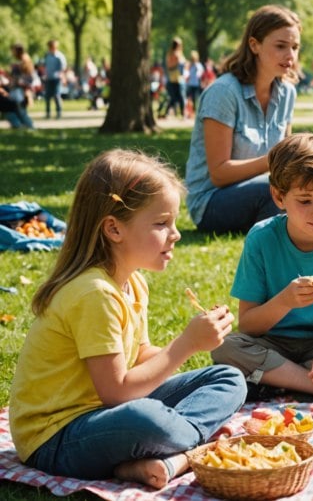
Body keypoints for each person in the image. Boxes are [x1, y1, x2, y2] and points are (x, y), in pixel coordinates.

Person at [9, 149, 247, 488]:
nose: (176, 233)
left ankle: (167, 447)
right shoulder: (94, 293)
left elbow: (139, 355)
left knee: (228, 378)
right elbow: (117, 394)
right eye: (161, 223)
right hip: (56, 437)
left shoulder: (132, 281)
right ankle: (187, 450)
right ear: (114, 229)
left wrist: (194, 344)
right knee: (144, 418)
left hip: (105, 416)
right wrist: (184, 345)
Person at [211, 133, 313, 404]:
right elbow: (249, 325)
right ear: (279, 196)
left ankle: (275, 382)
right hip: (271, 344)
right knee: (224, 345)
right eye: (305, 201)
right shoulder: (262, 238)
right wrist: (285, 301)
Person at [185, 5, 301, 235]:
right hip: (212, 202)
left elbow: (284, 160)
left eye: (295, 47)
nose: (290, 56)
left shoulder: (287, 92)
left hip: (265, 190)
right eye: (280, 46)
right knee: (279, 194)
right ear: (254, 45)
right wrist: (274, 161)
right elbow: (219, 174)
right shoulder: (224, 92)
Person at [159, 37, 186, 119]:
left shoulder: (179, 53)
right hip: (173, 79)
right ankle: (166, 113)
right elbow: (170, 66)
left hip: (179, 78)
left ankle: (181, 114)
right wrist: (177, 62)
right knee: (175, 98)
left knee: (179, 97)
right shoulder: (172, 54)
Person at [42, 39, 67, 119]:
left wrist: (61, 74)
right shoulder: (47, 55)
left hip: (56, 78)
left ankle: (59, 112)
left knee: (56, 95)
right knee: (47, 96)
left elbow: (63, 67)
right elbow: (45, 66)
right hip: (49, 78)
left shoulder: (59, 56)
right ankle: (48, 113)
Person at [185, 50, 205, 118]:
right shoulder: (190, 65)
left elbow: (200, 73)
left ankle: (196, 111)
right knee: (190, 99)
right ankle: (191, 112)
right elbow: (187, 73)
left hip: (196, 84)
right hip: (190, 84)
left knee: (196, 98)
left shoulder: (198, 65)